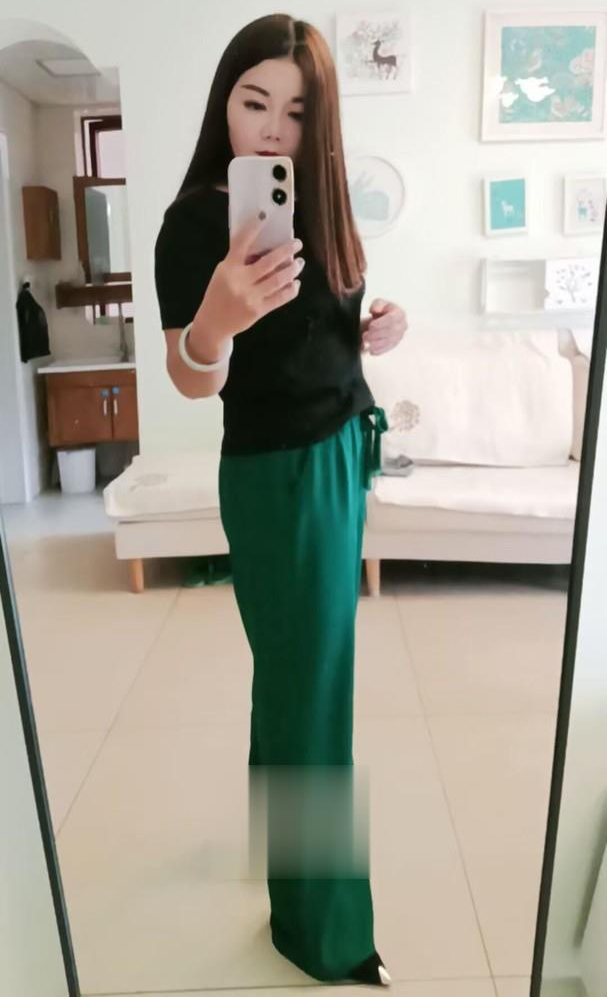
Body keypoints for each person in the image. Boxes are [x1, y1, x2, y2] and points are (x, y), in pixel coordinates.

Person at [154, 12, 407, 986]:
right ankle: (322, 932)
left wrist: (375, 321)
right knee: (315, 697)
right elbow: (192, 380)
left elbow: (325, 327)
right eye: (254, 101)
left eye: (296, 112)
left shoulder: (318, 204)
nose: (270, 127)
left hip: (341, 453)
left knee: (296, 678)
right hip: (279, 475)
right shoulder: (195, 223)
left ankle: (285, 860)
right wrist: (214, 322)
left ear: (319, 123)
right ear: (224, 101)